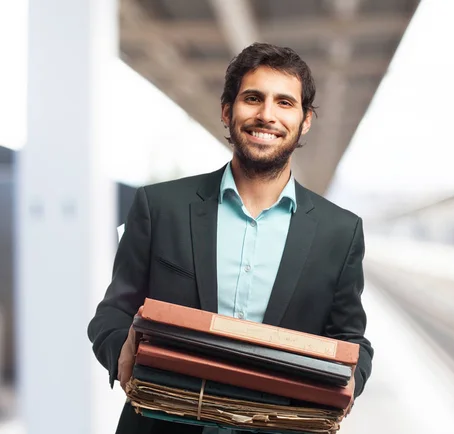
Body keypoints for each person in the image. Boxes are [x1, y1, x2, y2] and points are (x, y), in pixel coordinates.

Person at [88, 42, 374, 434]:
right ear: (227, 110)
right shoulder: (160, 207)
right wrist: (122, 348)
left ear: (306, 120)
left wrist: (347, 383)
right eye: (253, 98)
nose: (266, 115)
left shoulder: (340, 232)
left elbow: (351, 340)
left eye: (284, 103)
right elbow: (113, 313)